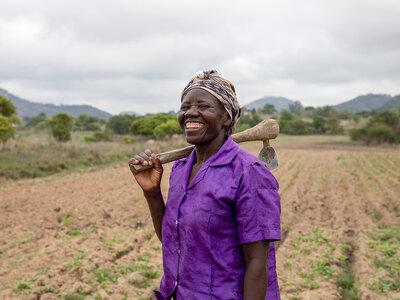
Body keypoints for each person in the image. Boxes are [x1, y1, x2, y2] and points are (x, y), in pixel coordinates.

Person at [130, 70, 281, 300]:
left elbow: (257, 263)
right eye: (185, 106)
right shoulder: (181, 169)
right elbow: (176, 240)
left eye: (204, 106)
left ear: (226, 118)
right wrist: (151, 193)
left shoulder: (248, 173)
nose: (191, 113)